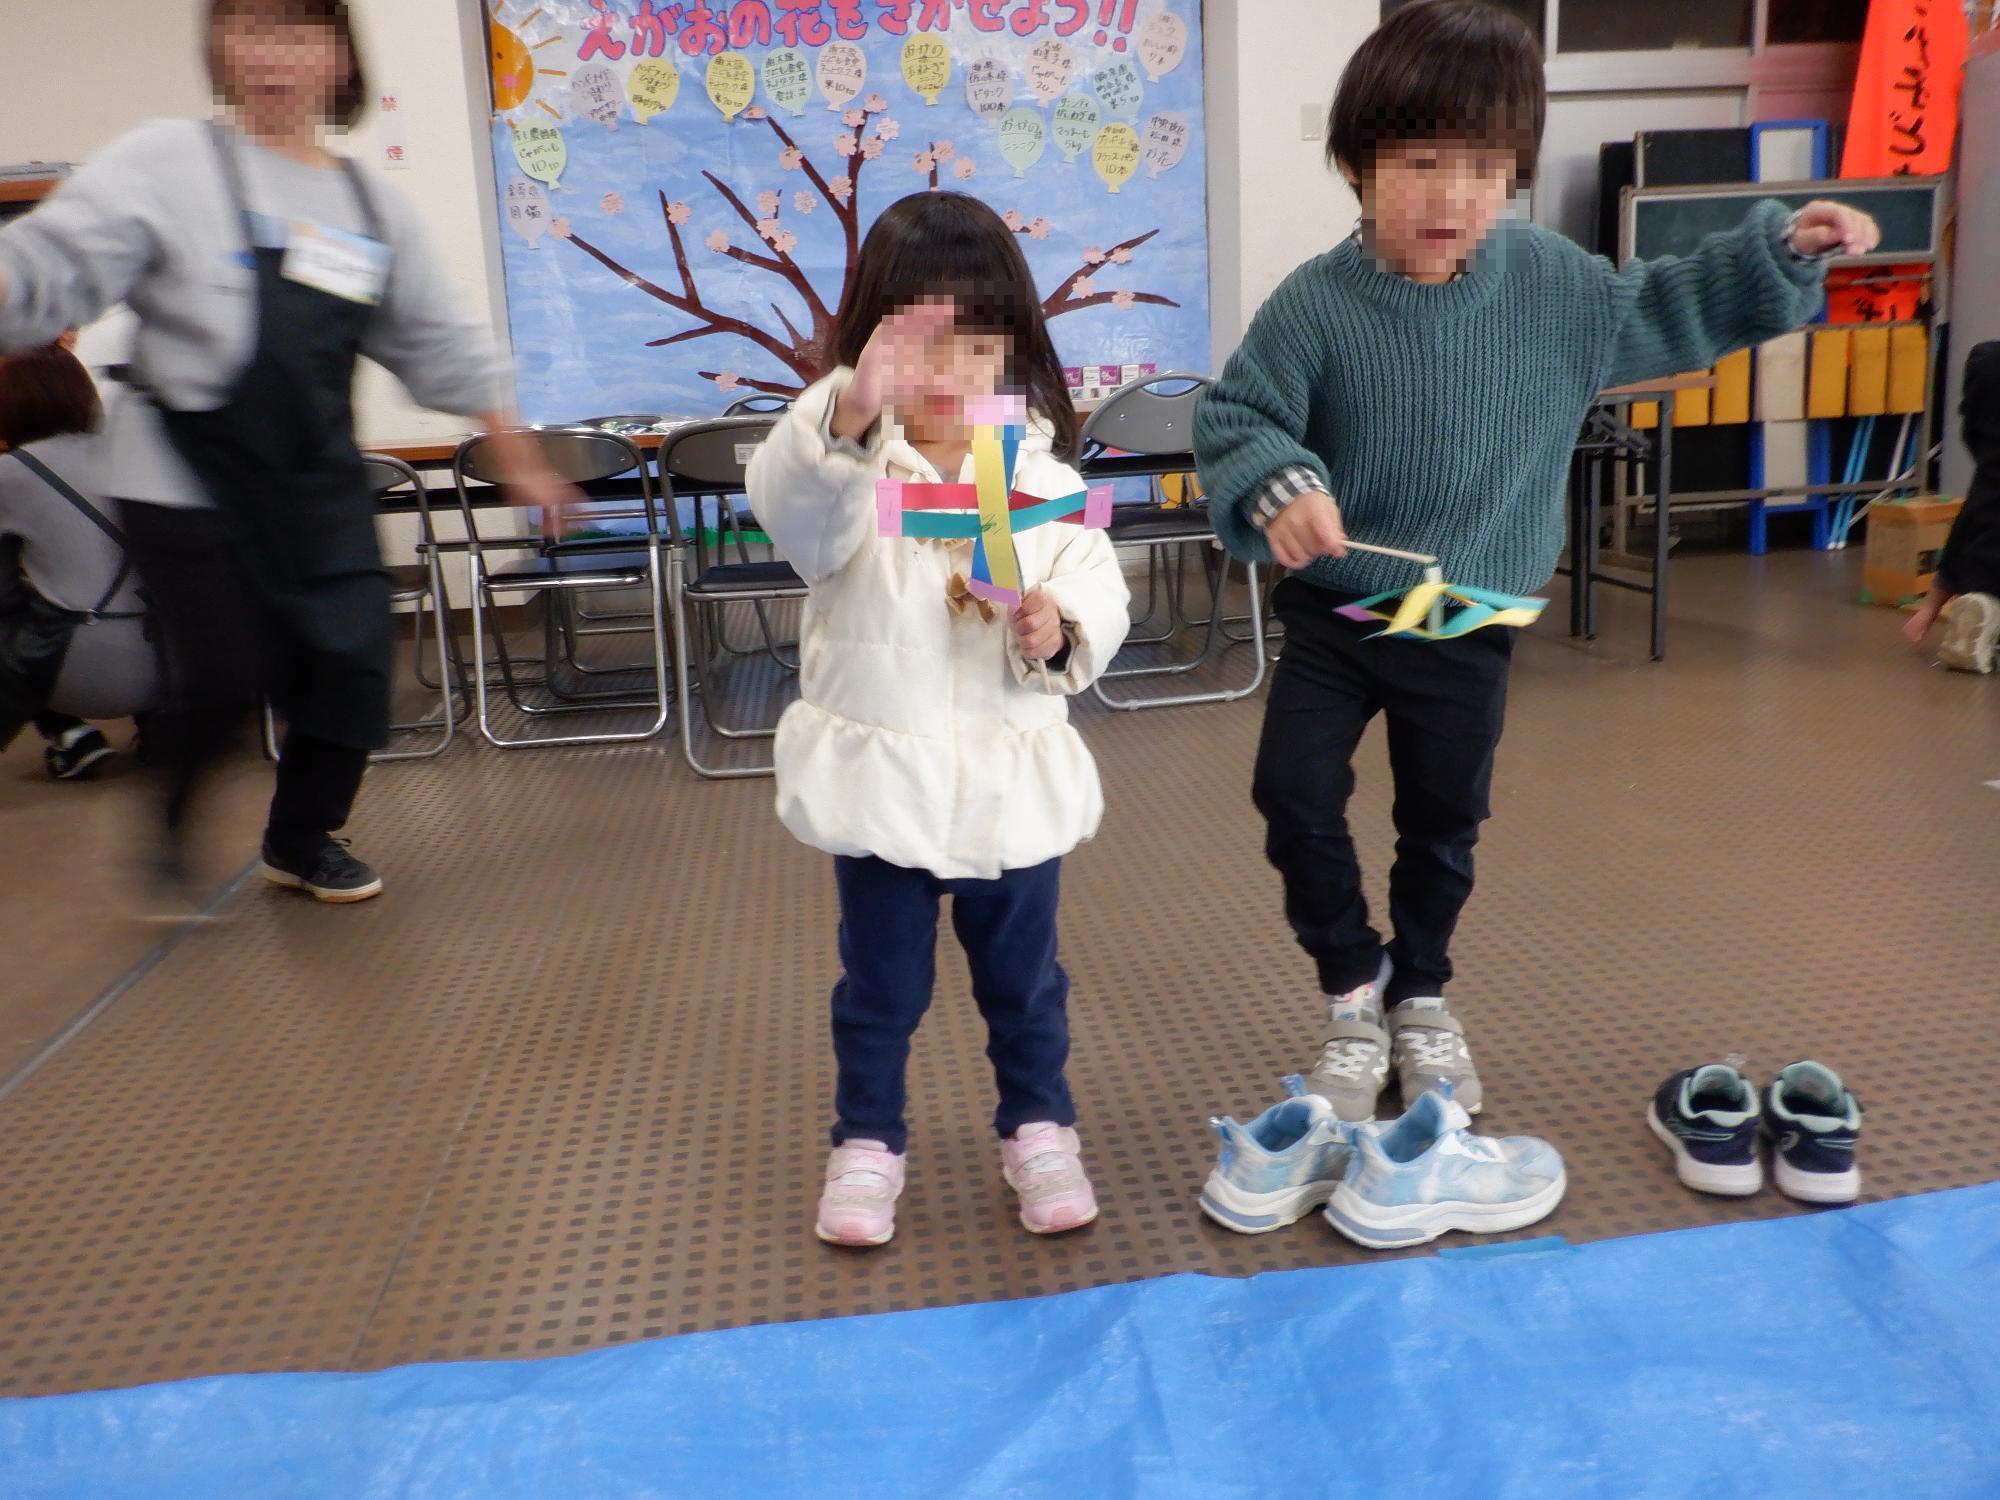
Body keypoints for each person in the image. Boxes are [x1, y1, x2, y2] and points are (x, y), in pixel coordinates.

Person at [1192, 0, 1879, 1123]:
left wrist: (1774, 254)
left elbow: (1665, 304)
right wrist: (1278, 481)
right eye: (1418, 163)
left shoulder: (1551, 286)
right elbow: (1235, 417)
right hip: (1338, 618)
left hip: (1467, 621)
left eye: (1482, 167)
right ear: (1358, 164)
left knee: (1442, 824)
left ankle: (1419, 994)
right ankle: (1350, 987)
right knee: (1291, 794)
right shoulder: (1314, 305)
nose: (1449, 196)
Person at [0, 0, 574, 910]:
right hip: (184, 477)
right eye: (251, 28)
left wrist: (523, 456)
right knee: (226, 673)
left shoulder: (364, 202)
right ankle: (170, 824)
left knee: (351, 669)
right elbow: (51, 265)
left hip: (314, 479)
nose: (273, 53)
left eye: (300, 31)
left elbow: (442, 340)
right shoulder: (167, 163)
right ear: (221, 48)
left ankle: (299, 839)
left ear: (341, 59)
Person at [747, 192, 1131, 1248]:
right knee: (880, 988)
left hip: (1009, 791)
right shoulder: (845, 477)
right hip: (885, 794)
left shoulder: (1038, 481)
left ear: (1008, 351)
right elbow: (791, 513)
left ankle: (1038, 1127)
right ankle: (866, 1140)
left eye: (972, 343)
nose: (944, 371)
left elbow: (1101, 589)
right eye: (915, 343)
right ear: (869, 345)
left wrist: (1057, 629)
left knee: (1025, 983)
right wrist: (846, 409)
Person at [0, 337, 156, 780]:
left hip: (73, 674)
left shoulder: (10, 473)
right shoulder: (137, 455)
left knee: (27, 611)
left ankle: (67, 731)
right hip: (169, 662)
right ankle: (157, 724)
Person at [1903, 341, 2000, 673]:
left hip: (1982, 552)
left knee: (1971, 530)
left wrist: (1928, 610)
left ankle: (1981, 606)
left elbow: (1958, 542)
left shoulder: (1987, 361)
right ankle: (1988, 618)